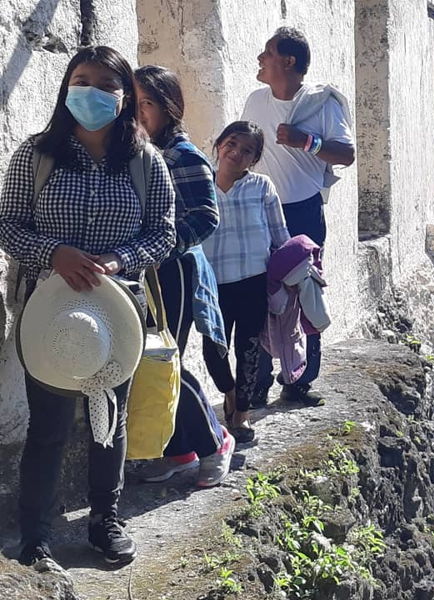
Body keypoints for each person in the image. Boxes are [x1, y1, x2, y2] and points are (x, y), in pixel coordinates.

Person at [0, 46, 176, 566]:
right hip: (49, 315)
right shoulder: (36, 155)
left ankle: (105, 520)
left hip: (118, 315)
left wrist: (119, 260)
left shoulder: (145, 161)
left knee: (109, 420)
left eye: (105, 84)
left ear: (124, 97)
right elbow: (7, 225)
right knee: (48, 427)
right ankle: (36, 536)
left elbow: (164, 233)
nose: (91, 92)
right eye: (81, 80)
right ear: (65, 87)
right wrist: (54, 252)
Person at [133, 65, 235, 487]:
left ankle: (215, 442)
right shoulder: (139, 150)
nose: (138, 112)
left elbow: (206, 216)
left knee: (163, 360)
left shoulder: (182, 155)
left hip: (172, 272)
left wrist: (163, 247)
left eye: (147, 103)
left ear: (169, 107)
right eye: (133, 102)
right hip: (141, 269)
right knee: (143, 361)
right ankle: (178, 450)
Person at [241, 26, 355, 406]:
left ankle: (300, 382)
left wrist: (306, 141)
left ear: (289, 61)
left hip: (303, 211)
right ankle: (256, 384)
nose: (260, 58)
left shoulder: (322, 103)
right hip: (259, 210)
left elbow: (346, 154)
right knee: (257, 294)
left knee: (305, 293)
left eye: (268, 52)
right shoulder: (255, 101)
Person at [202, 121, 290, 443]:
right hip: (211, 284)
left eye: (247, 150)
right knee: (214, 349)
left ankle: (241, 411)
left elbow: (280, 236)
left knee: (249, 349)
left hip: (253, 281)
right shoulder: (201, 186)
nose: (236, 153)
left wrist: (293, 274)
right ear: (219, 145)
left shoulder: (261, 187)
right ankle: (229, 392)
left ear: (254, 159)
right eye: (231, 144)